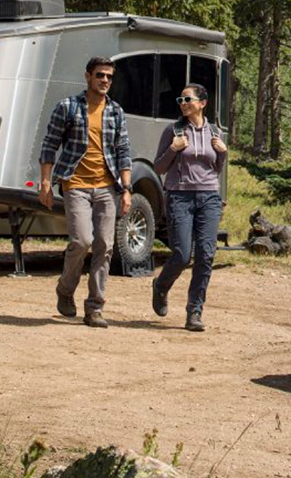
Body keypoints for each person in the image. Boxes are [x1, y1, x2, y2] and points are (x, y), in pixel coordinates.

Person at [37, 56, 133, 328]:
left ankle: (94, 308)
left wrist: (126, 190)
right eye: (100, 75)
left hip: (106, 187)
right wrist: (45, 182)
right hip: (75, 183)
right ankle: (65, 290)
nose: (105, 81)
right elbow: (49, 145)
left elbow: (124, 152)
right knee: (81, 241)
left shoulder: (116, 112)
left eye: (109, 77)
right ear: (87, 76)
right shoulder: (68, 107)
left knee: (105, 245)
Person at [150, 83, 227, 331]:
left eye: (188, 100)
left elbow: (216, 168)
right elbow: (159, 168)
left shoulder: (215, 132)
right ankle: (161, 285)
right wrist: (173, 149)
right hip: (179, 197)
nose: (183, 104)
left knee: (206, 255)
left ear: (203, 103)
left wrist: (223, 154)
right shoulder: (173, 130)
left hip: (209, 197)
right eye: (180, 100)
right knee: (182, 255)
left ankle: (194, 312)